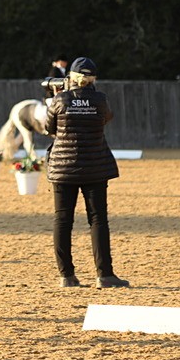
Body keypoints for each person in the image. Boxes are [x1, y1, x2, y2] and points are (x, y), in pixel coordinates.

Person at [45, 57, 129, 288]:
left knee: (62, 220)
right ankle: (105, 274)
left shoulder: (59, 100)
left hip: (63, 168)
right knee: (98, 220)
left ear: (71, 77)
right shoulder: (101, 100)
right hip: (95, 166)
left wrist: (56, 98)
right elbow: (106, 119)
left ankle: (67, 275)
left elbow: (48, 128)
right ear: (93, 79)